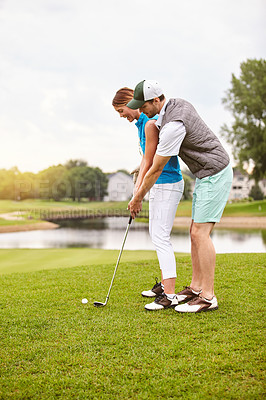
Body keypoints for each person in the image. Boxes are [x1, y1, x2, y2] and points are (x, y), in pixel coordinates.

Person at [127, 79, 233, 313]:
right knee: (194, 232)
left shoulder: (174, 125)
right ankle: (195, 288)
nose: (141, 111)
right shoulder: (175, 106)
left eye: (143, 106)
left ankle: (208, 296)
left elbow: (156, 168)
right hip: (206, 175)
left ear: (156, 100)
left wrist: (137, 198)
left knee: (200, 233)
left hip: (215, 172)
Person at [112, 87, 184, 310]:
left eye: (122, 110)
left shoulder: (150, 124)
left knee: (161, 236)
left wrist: (138, 195)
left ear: (130, 102)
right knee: (156, 234)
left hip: (167, 183)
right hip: (160, 184)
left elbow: (151, 162)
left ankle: (169, 295)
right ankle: (164, 286)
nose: (122, 115)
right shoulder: (142, 124)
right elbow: (144, 159)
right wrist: (137, 187)